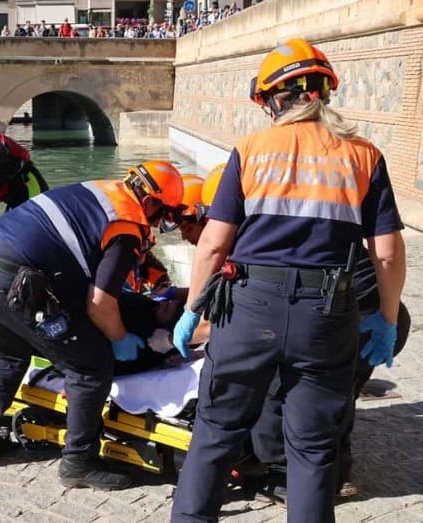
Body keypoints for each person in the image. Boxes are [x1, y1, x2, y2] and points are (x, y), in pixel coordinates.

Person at [170, 38, 406, 522]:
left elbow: (214, 245)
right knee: (314, 449)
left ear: (273, 99)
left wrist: (193, 308)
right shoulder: (364, 156)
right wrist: (384, 317)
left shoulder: (251, 150)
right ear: (324, 91)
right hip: (327, 314)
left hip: (248, 308)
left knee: (215, 433)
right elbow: (386, 251)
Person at [0, 160, 185, 489]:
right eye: (163, 215)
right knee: (91, 367)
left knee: (9, 352)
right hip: (16, 281)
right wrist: (120, 338)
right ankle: (79, 463)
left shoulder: (100, 191)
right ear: (150, 201)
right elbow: (100, 303)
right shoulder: (127, 223)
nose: (159, 224)